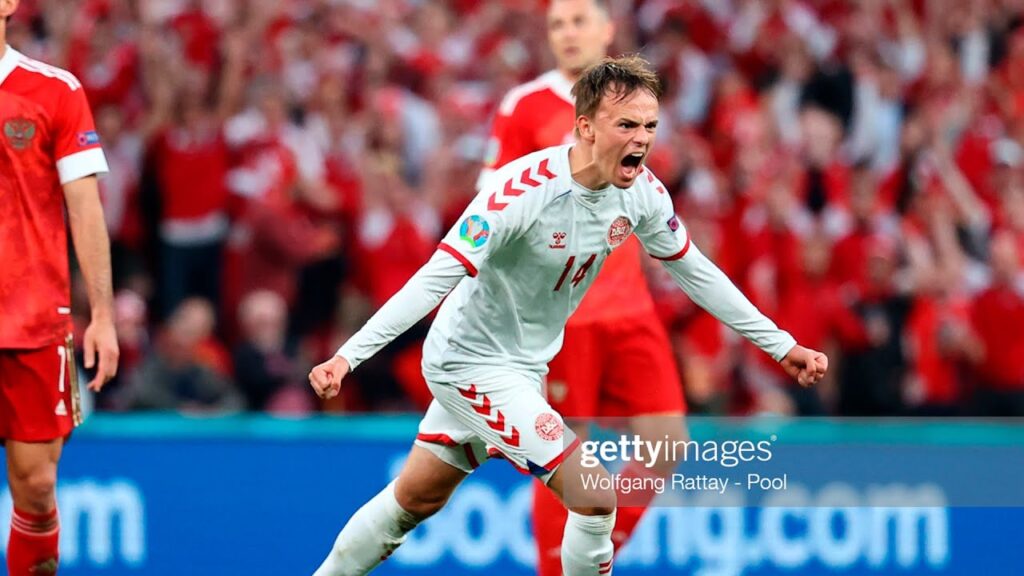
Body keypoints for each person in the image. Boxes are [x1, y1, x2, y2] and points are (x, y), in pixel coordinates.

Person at [308, 55, 827, 576]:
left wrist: (781, 344)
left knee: (414, 500)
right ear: (585, 127)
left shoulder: (642, 194)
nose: (641, 139)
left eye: (650, 126)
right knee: (595, 494)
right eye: (626, 125)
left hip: (526, 368)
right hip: (468, 364)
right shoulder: (521, 191)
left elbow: (697, 273)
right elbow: (433, 279)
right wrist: (348, 357)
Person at [479, 1, 688, 569]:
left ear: (607, 29)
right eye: (557, 24)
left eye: (579, 21)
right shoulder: (526, 106)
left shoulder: (635, 104)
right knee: (566, 456)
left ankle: (597, 552)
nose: (567, 34)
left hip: (631, 306)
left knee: (667, 443)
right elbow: (491, 202)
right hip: (564, 312)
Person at [0, 2, 120, 574]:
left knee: (38, 486)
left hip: (33, 323)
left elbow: (85, 210)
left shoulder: (54, 91)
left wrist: (103, 316)